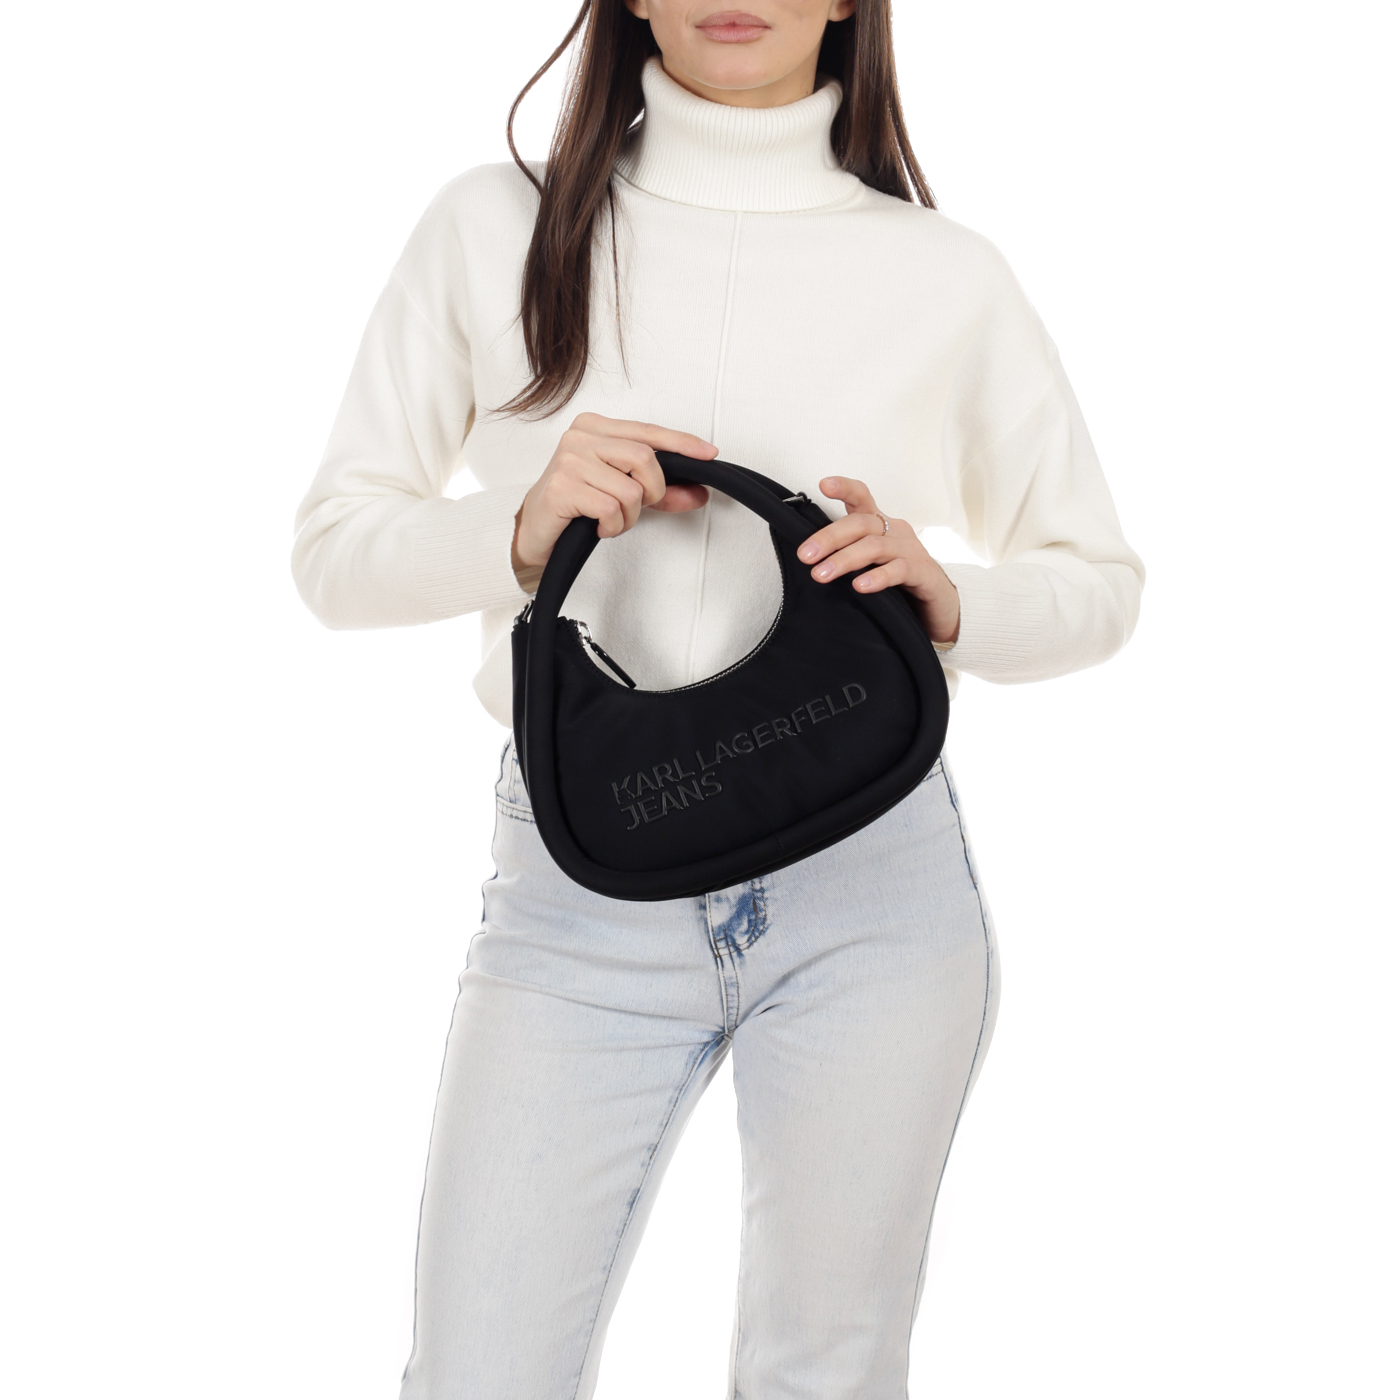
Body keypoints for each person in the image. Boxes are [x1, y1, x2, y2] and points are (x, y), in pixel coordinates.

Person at [291, 2, 1144, 1395]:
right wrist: (517, 527)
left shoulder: (944, 275)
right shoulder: (493, 226)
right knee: (478, 1370)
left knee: (826, 1370)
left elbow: (1099, 581)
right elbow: (334, 553)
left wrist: (954, 599)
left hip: (870, 890)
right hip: (580, 886)